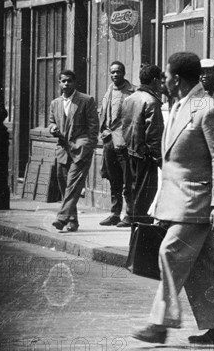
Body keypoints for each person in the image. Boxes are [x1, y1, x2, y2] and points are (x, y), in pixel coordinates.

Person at [132, 52, 214, 345]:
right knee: (203, 266)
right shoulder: (178, 105)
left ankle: (159, 324)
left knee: (170, 252)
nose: (162, 81)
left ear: (176, 79)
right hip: (177, 201)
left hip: (197, 201)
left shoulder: (207, 109)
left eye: (165, 76)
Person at [48, 70, 98, 232]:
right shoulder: (55, 103)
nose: (66, 84)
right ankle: (72, 221)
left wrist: (88, 146)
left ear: (74, 82)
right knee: (65, 186)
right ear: (59, 83)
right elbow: (51, 122)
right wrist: (53, 128)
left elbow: (93, 127)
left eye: (69, 81)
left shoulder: (86, 100)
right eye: (63, 81)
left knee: (73, 184)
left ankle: (62, 218)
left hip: (80, 149)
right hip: (63, 150)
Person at [121, 63, 164, 228]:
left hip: (131, 152)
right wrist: (159, 158)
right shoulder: (151, 101)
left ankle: (136, 227)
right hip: (146, 156)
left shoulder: (129, 99)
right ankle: (142, 234)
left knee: (134, 192)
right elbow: (154, 135)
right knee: (145, 195)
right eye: (160, 80)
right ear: (154, 80)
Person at [99, 61, 136, 227]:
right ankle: (115, 213)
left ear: (124, 73)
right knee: (114, 180)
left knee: (128, 180)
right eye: (112, 72)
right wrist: (103, 132)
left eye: (118, 72)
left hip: (125, 143)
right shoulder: (108, 90)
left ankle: (130, 214)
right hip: (109, 142)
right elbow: (104, 114)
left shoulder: (132, 92)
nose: (115, 75)